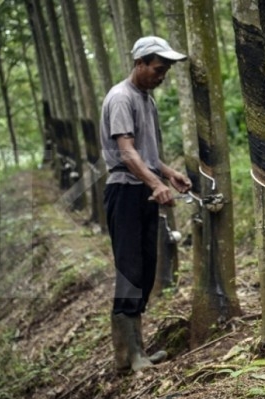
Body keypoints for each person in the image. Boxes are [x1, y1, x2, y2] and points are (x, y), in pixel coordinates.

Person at [100, 36, 192, 373]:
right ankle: (128, 356)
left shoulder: (146, 100)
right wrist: (155, 183)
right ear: (139, 63)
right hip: (125, 192)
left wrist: (168, 174)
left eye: (165, 70)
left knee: (145, 268)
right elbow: (126, 153)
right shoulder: (121, 98)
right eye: (157, 68)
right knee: (129, 269)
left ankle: (135, 351)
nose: (162, 75)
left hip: (143, 191)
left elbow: (146, 155)